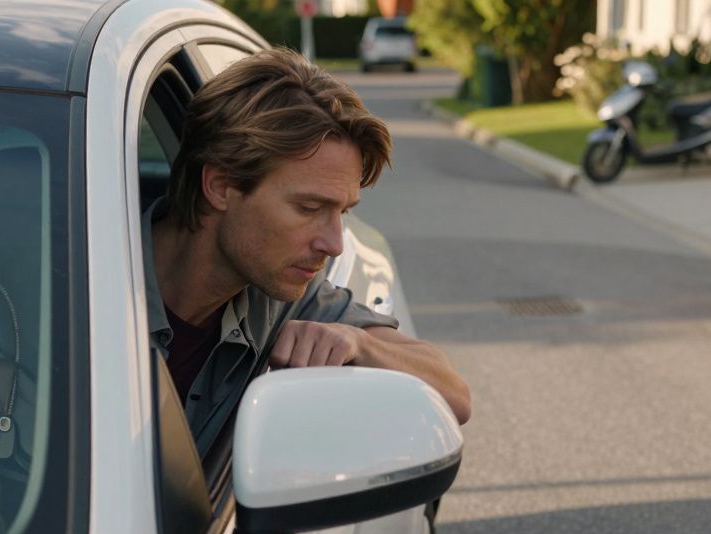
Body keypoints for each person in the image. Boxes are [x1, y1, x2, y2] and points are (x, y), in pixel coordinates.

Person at [145, 47, 470, 452]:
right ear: (220, 186)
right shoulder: (81, 293)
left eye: (343, 212)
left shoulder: (283, 296)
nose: (334, 245)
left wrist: (360, 343)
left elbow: (454, 395)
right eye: (309, 208)